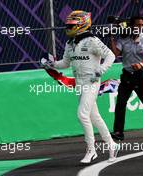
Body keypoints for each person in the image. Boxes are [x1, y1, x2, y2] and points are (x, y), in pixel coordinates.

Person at [42, 10, 119, 163]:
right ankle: (112, 144)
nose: (68, 27)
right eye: (68, 24)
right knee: (94, 117)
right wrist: (51, 65)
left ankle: (91, 150)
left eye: (72, 25)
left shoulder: (92, 41)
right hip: (79, 83)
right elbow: (65, 63)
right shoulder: (69, 43)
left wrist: (101, 70)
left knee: (82, 115)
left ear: (82, 24)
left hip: (92, 82)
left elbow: (111, 55)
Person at [110, 16, 143, 141]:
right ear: (131, 26)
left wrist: (141, 64)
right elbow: (116, 54)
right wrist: (111, 37)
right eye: (137, 25)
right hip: (127, 75)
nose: (140, 27)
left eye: (142, 25)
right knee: (121, 103)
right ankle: (118, 132)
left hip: (141, 76)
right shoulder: (124, 39)